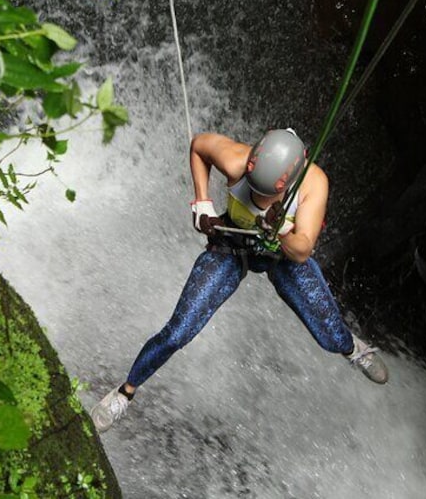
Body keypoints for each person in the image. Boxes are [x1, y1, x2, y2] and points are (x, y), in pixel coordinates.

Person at [91, 129, 388, 432]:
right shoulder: (235, 159)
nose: (259, 201)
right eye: (254, 191)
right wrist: (202, 202)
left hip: (281, 256)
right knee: (177, 332)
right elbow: (199, 146)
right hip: (232, 243)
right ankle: (124, 393)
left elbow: (302, 250)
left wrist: (282, 231)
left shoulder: (312, 183)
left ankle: (352, 348)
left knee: (329, 336)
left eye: (267, 195)